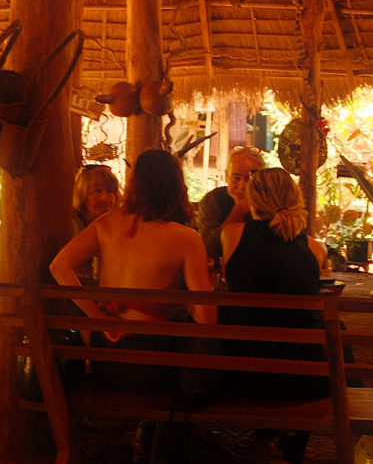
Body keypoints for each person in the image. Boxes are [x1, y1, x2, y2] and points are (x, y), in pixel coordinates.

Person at [51, 149, 215, 464]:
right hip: (153, 370)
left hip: (106, 364)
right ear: (176, 185)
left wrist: (100, 320)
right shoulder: (186, 238)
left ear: (134, 183)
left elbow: (59, 266)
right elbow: (207, 319)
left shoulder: (107, 223)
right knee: (201, 372)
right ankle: (165, 450)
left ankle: (151, 438)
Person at [220, 167, 329, 464]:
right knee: (327, 332)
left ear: (252, 199)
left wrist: (240, 208)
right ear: (296, 198)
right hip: (307, 380)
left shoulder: (232, 235)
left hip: (242, 377)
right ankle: (293, 442)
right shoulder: (316, 249)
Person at [197, 145, 266, 264]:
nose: (243, 185)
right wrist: (239, 210)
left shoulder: (268, 203)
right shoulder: (214, 199)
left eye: (249, 178)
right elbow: (210, 249)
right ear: (227, 176)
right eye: (237, 178)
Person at [71, 164, 120, 235]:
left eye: (110, 191)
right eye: (98, 191)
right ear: (82, 194)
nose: (105, 198)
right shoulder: (72, 227)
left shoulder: (117, 225)